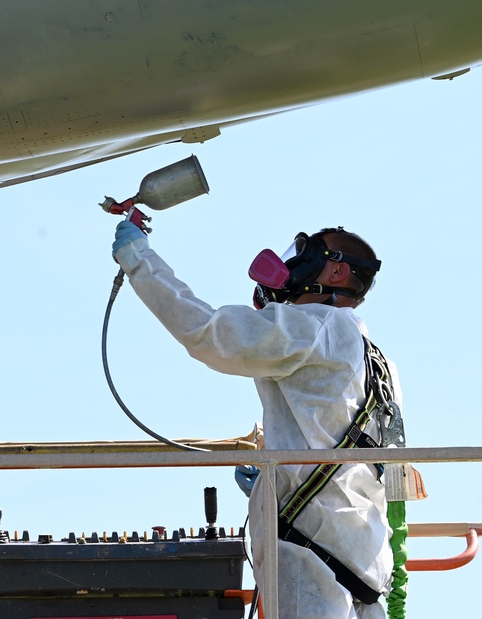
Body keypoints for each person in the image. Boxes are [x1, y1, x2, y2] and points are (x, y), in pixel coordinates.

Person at [111, 221, 399, 619]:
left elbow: (207, 332)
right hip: (363, 561)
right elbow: (354, 460)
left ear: (337, 271)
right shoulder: (377, 362)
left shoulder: (314, 325)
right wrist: (269, 485)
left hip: (311, 557)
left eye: (308, 253)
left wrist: (138, 258)